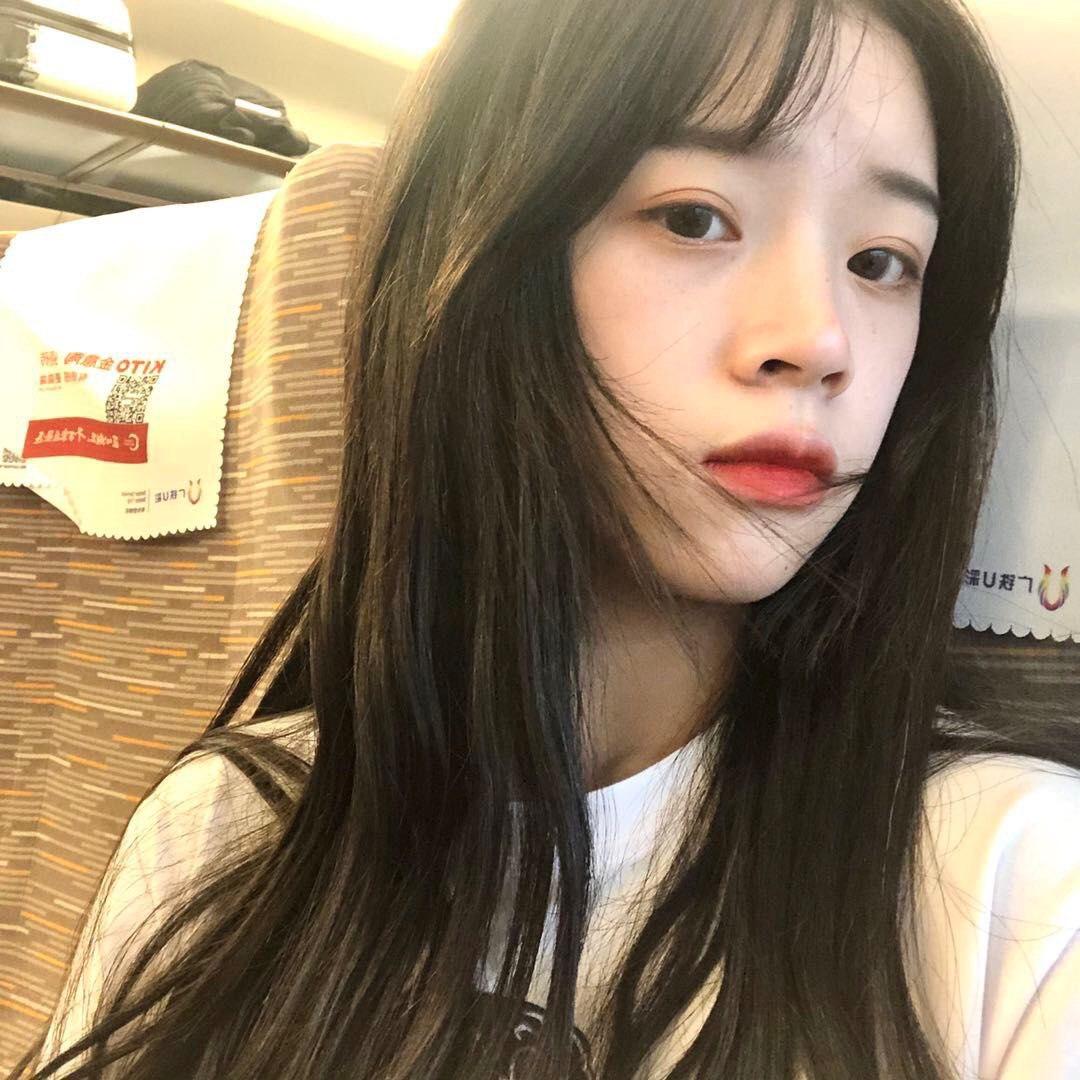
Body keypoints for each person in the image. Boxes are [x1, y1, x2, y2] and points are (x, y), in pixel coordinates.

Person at [17, 0, 1080, 1077]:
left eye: (884, 261)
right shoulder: (226, 832)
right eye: (694, 218)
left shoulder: (1022, 893)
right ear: (477, 254)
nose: (817, 340)